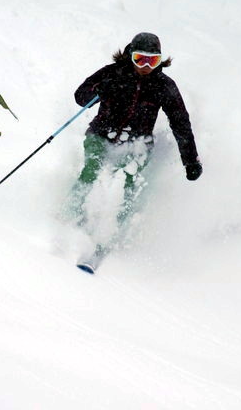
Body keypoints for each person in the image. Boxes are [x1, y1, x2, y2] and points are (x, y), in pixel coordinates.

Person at [60, 32, 202, 256]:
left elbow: (180, 122)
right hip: (101, 134)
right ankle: (69, 216)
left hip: (138, 143)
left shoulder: (164, 86)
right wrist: (100, 89)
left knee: (128, 182)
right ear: (130, 56)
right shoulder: (113, 73)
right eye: (140, 59)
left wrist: (190, 160)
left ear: (159, 60)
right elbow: (80, 95)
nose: (145, 66)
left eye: (152, 60)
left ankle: (111, 234)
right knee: (91, 170)